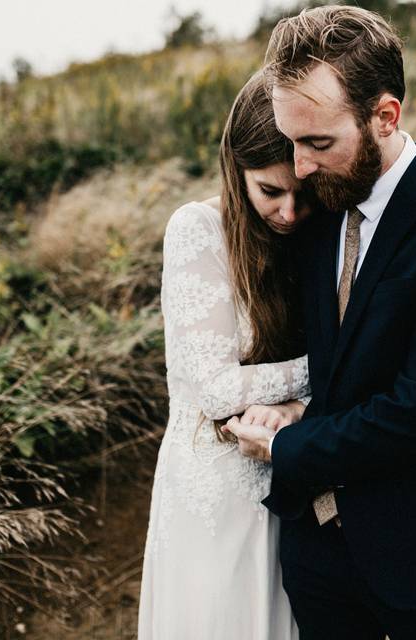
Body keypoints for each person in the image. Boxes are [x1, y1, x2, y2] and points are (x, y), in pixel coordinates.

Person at [223, 6, 416, 639]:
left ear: (385, 116)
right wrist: (296, 407)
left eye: (318, 143)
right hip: (316, 563)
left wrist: (285, 445)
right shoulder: (318, 209)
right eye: (290, 140)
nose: (299, 168)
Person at [137, 70, 314, 639]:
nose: (289, 212)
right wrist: (330, 371)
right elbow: (215, 388)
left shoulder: (313, 233)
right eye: (270, 191)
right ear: (235, 172)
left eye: (302, 193)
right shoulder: (197, 230)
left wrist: (293, 410)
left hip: (289, 472)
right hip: (213, 484)